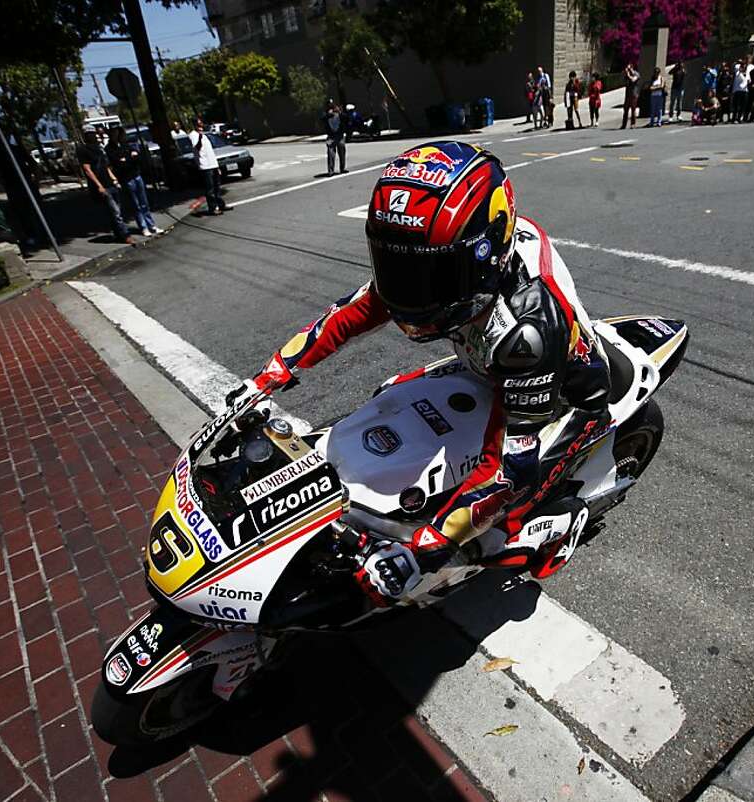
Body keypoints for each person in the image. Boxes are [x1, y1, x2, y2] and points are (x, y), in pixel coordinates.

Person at [224, 142, 609, 605]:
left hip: (561, 391)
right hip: (485, 361)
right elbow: (351, 312)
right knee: (388, 394)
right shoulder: (439, 258)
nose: (407, 289)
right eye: (397, 266)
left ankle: (558, 523)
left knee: (496, 528)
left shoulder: (526, 332)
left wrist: (422, 551)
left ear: (485, 255)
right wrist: (267, 378)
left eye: (428, 274)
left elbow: (507, 469)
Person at [75, 127, 132, 244]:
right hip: (101, 185)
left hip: (110, 183)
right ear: (85, 136)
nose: (93, 136)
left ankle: (118, 234)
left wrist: (114, 179)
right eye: (89, 134)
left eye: (93, 133)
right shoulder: (83, 150)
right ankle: (125, 235)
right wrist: (99, 186)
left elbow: (106, 166)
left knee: (117, 212)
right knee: (115, 212)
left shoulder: (98, 148)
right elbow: (87, 170)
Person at [106, 126, 161, 237]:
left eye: (118, 132)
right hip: (126, 179)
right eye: (114, 133)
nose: (116, 135)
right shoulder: (109, 149)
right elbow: (118, 164)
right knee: (136, 205)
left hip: (136, 175)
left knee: (144, 202)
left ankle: (151, 225)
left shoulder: (126, 144)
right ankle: (143, 227)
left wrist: (128, 159)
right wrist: (127, 159)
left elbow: (136, 158)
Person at [189, 118, 228, 215]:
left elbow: (210, 152)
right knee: (209, 189)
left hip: (213, 164)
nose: (201, 125)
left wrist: (217, 166)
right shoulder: (193, 135)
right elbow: (197, 147)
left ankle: (221, 205)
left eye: (201, 123)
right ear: (194, 125)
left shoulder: (205, 135)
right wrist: (200, 137)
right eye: (198, 124)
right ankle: (213, 208)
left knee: (217, 187)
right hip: (205, 166)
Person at [323, 102, 348, 177]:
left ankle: (342, 168)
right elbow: (322, 118)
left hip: (339, 135)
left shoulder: (340, 115)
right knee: (331, 154)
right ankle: (331, 171)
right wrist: (329, 114)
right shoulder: (327, 116)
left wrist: (339, 112)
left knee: (342, 152)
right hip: (331, 136)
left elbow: (346, 118)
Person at [730, 58, 750, 123]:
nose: (743, 66)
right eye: (742, 65)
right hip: (737, 90)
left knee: (742, 106)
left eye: (744, 65)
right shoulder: (737, 70)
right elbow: (736, 67)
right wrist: (740, 63)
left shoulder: (747, 72)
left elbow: (749, 80)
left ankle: (739, 118)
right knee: (736, 106)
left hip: (745, 91)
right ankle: (734, 118)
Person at [621, 63, 640, 129]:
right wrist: (625, 74)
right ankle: (624, 124)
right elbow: (623, 81)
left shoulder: (636, 74)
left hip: (634, 94)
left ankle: (633, 124)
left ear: (632, 68)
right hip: (627, 94)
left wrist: (628, 75)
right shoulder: (627, 75)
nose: (628, 70)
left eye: (629, 68)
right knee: (625, 110)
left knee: (633, 109)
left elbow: (633, 80)